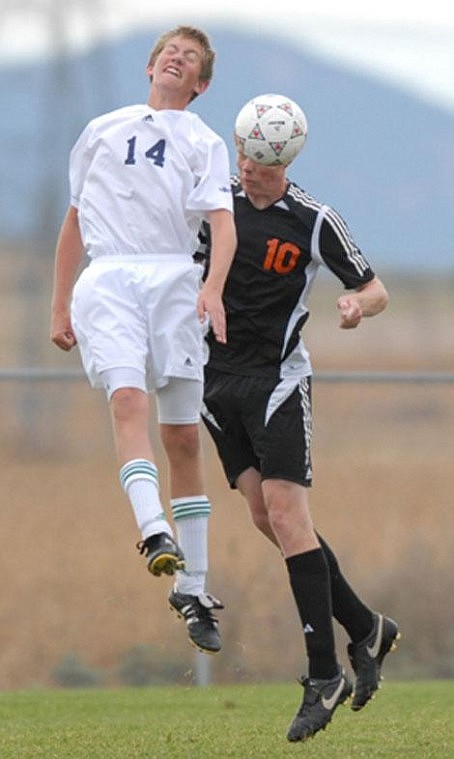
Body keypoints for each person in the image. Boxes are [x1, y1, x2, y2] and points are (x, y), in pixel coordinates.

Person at [200, 97, 399, 740]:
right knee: (269, 519)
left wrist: (354, 307)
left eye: (261, 160)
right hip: (215, 380)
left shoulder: (313, 220)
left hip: (277, 382)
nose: (248, 168)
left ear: (284, 159)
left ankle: (323, 675)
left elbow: (376, 289)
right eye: (243, 154)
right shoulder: (216, 203)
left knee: (288, 516)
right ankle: (367, 626)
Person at [50, 25, 237, 655]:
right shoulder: (103, 129)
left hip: (174, 279)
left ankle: (194, 588)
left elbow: (221, 224)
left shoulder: (203, 142)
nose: (176, 61)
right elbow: (75, 221)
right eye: (168, 54)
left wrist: (211, 288)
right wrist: (60, 304)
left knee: (182, 437)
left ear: (201, 83)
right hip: (109, 279)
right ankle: (154, 531)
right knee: (127, 401)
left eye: (189, 60)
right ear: (149, 67)